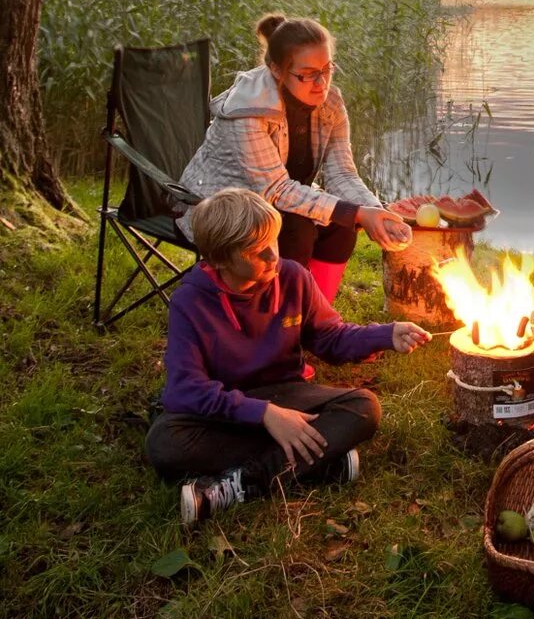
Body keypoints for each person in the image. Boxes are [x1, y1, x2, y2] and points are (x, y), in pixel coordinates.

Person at [146, 188, 431, 526]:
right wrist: (264, 414)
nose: (272, 256)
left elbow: (330, 338)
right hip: (227, 407)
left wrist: (385, 334)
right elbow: (185, 390)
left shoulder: (293, 276)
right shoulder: (190, 302)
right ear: (220, 259)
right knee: (164, 444)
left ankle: (241, 484)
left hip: (286, 392)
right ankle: (319, 465)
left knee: (363, 407)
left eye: (274, 241)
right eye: (256, 250)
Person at [178, 13, 412, 303]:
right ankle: (280, 323)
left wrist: (375, 211)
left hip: (273, 203)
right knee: (294, 229)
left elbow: (342, 174)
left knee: (341, 227)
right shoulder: (248, 111)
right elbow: (275, 189)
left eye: (327, 69)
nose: (321, 83)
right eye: (307, 74)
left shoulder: (330, 105)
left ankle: (316, 318)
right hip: (213, 207)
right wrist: (357, 213)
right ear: (277, 70)